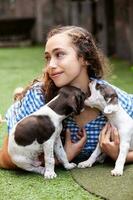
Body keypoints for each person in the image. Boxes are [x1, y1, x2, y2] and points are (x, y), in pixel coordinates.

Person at [0, 25, 133, 170]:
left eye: (59, 54)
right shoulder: (38, 99)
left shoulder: (114, 100)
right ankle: (19, 97)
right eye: (47, 58)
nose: (50, 65)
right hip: (33, 102)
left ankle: (19, 93)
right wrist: (61, 158)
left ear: (84, 59)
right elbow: (5, 158)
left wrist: (122, 156)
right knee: (23, 97)